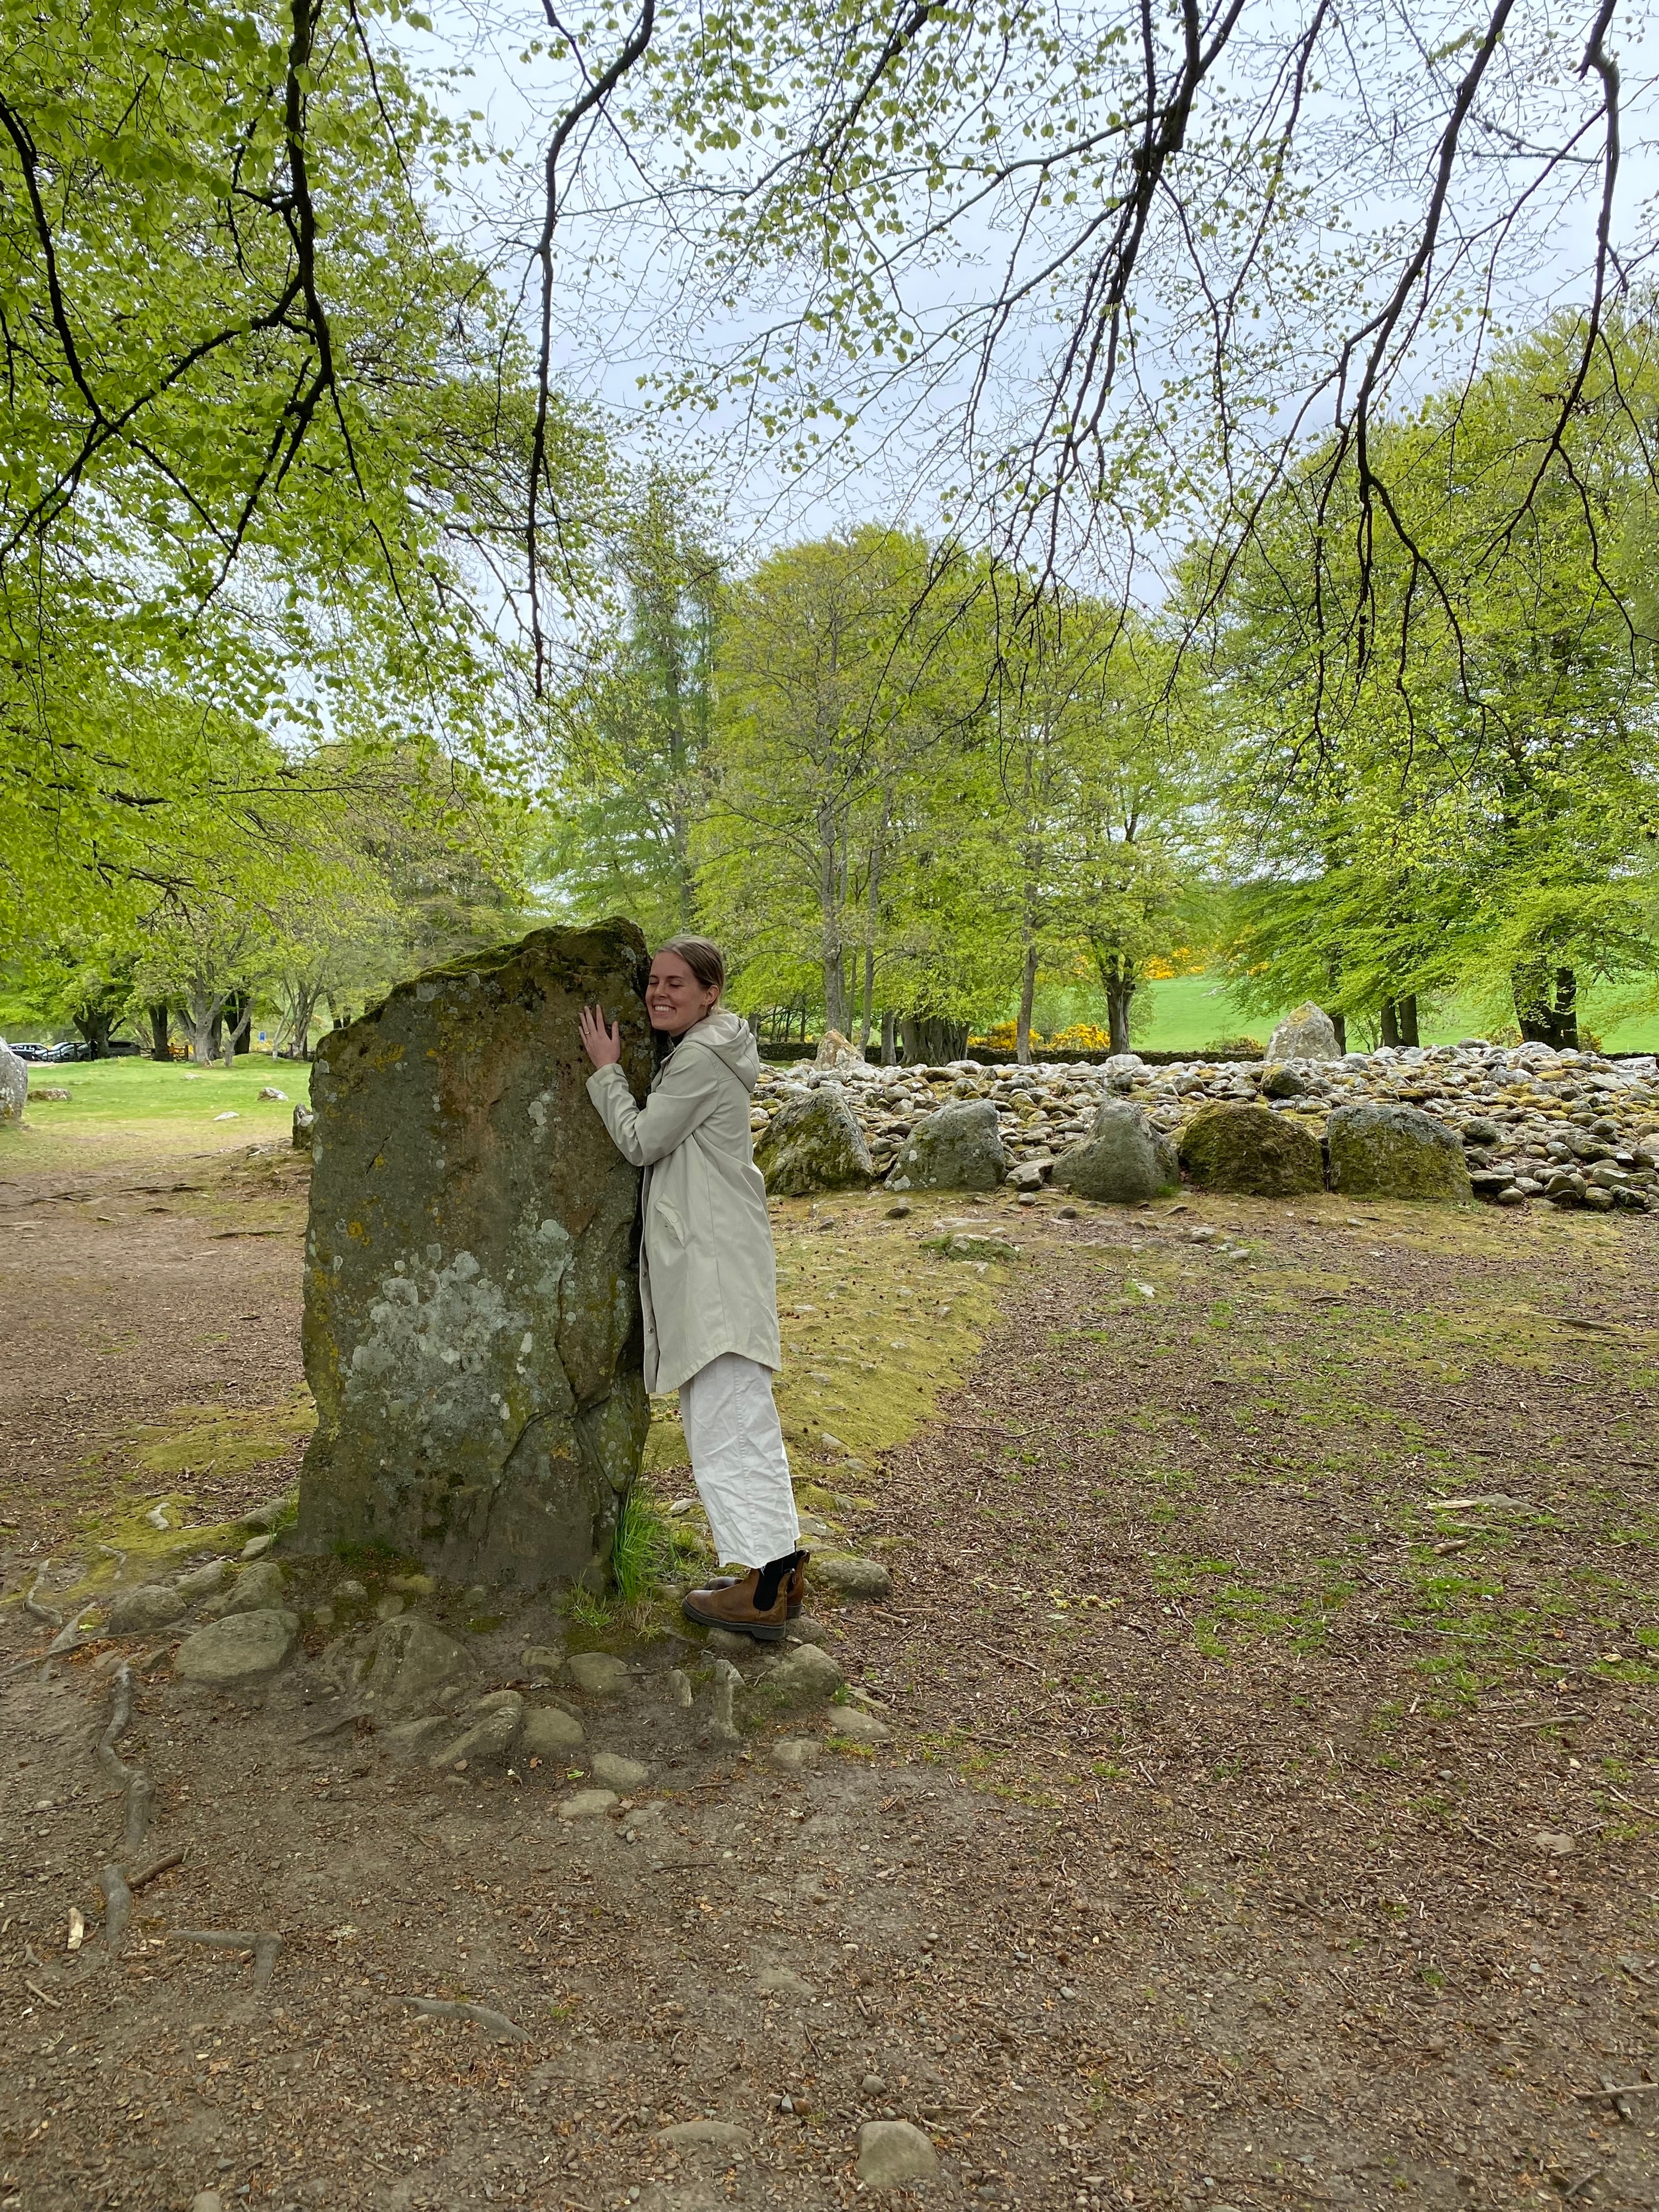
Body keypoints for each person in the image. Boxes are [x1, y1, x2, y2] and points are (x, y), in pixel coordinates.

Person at [578, 937, 808, 1640]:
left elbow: (643, 1141)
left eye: (676, 983)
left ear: (711, 992)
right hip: (719, 1258)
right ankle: (776, 1577)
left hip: (713, 1267)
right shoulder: (709, 1049)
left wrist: (607, 1073)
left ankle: (765, 1590)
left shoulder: (702, 1059)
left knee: (728, 1427)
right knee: (739, 1423)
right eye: (653, 982)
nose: (659, 994)